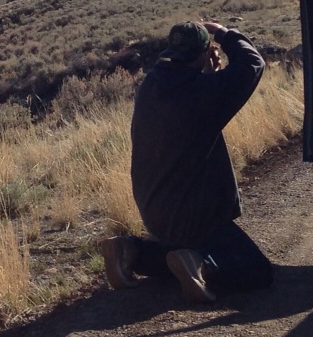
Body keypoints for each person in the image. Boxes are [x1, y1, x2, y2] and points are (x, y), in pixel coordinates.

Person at [100, 20, 275, 303]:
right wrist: (224, 33)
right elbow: (252, 64)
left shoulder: (150, 85)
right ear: (205, 52)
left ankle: (131, 251)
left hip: (153, 209)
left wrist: (206, 73)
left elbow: (189, 97)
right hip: (194, 215)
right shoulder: (204, 93)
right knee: (256, 270)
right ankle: (202, 265)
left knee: (177, 250)